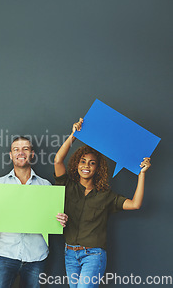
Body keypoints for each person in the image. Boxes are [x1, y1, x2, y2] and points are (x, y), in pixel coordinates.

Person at [54, 118, 151, 288]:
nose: (86, 166)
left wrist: (141, 174)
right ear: (77, 164)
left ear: (98, 169)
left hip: (93, 255)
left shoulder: (106, 196)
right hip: (69, 253)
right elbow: (57, 161)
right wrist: (73, 136)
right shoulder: (68, 186)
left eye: (92, 163)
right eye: (83, 161)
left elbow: (135, 204)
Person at [0, 136, 67, 288]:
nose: (21, 153)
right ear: (10, 155)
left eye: (25, 149)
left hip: (36, 256)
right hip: (6, 254)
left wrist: (60, 219)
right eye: (16, 149)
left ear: (32, 154)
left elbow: (51, 219)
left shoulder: (45, 186)